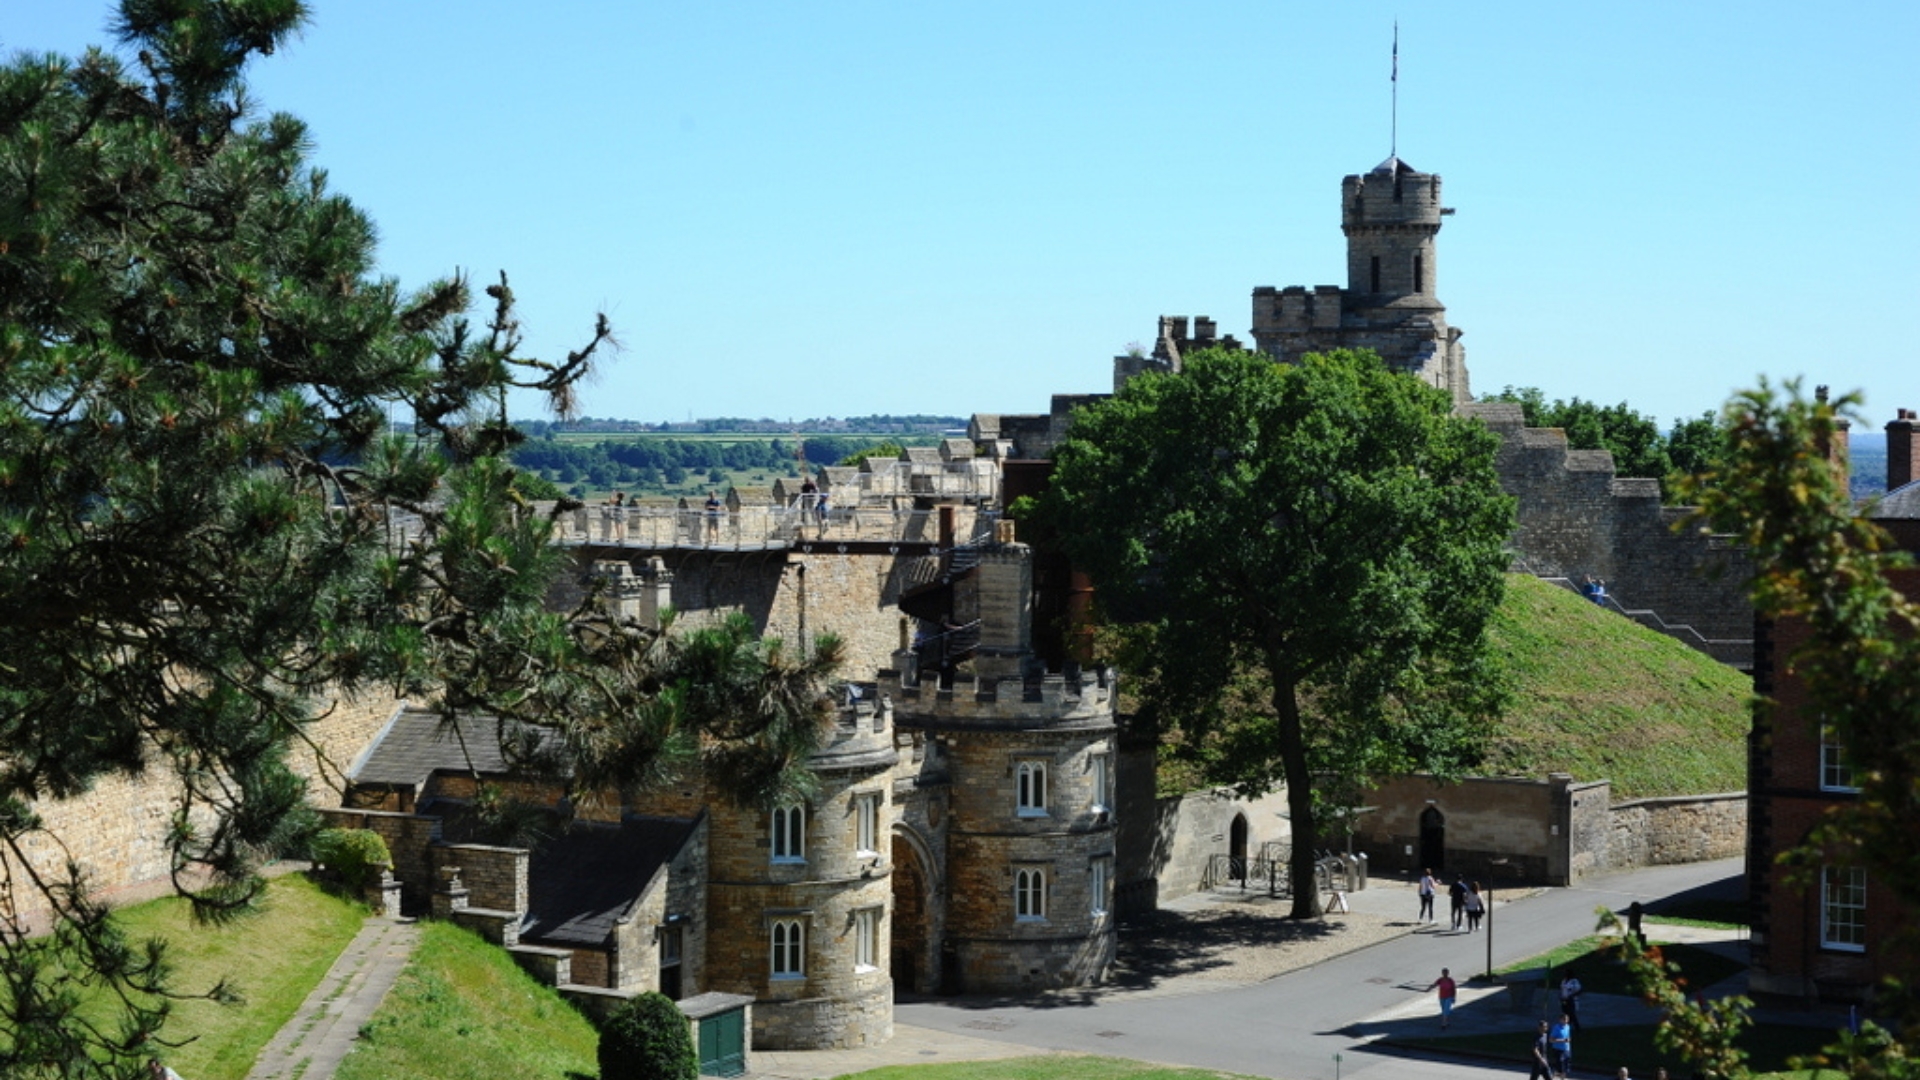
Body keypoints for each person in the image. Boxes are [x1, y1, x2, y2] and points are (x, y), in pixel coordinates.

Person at [1548, 1013, 1573, 1079]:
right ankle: (1555, 1074)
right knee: (1560, 1067)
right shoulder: (1556, 1027)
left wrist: (1568, 1039)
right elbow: (1551, 1040)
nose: (1566, 1021)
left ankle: (1558, 1075)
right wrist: (1563, 1040)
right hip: (1558, 1050)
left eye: (1567, 1019)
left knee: (1566, 1067)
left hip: (1567, 1049)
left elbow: (1568, 1037)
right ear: (1560, 1020)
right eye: (1564, 1019)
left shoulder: (1568, 1026)